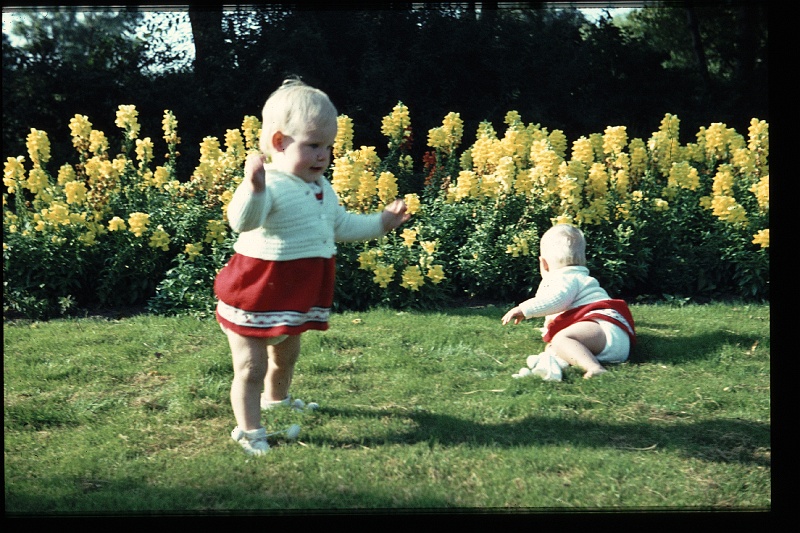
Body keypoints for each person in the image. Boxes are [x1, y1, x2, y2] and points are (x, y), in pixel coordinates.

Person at [214, 78, 410, 455]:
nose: (323, 155)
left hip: (293, 291)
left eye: (328, 147)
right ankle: (249, 430)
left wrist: (380, 223)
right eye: (313, 146)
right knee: (251, 367)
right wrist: (252, 188)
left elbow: (339, 225)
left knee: (287, 352)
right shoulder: (267, 181)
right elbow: (242, 221)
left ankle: (278, 399)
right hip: (256, 291)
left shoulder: (321, 186)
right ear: (278, 143)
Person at [501, 223, 635, 379]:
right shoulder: (582, 277)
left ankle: (595, 368)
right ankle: (556, 361)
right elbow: (556, 315)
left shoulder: (565, 278)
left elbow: (556, 301)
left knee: (562, 339)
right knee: (558, 345)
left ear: (543, 263)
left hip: (603, 329)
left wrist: (524, 309)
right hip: (618, 339)